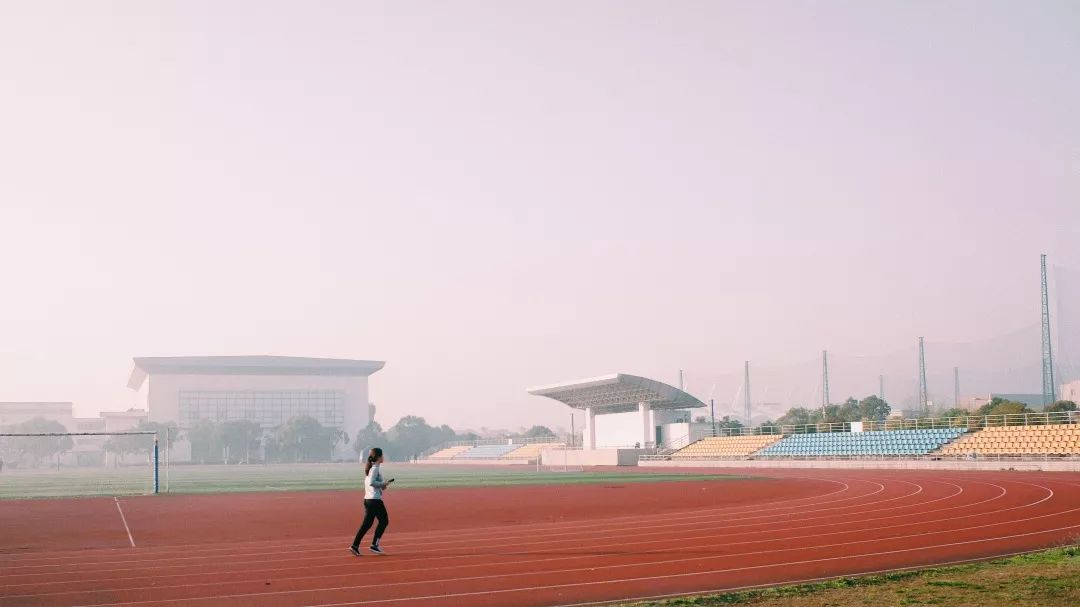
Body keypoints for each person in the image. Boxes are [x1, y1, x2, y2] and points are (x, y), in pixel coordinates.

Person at [349, 447, 394, 556]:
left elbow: (378, 486)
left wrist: (385, 484)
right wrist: (382, 484)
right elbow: (371, 483)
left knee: (367, 524)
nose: (383, 457)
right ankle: (374, 545)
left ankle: (355, 546)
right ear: (378, 457)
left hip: (369, 499)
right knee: (384, 521)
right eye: (382, 455)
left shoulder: (373, 469)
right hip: (374, 500)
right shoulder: (374, 469)